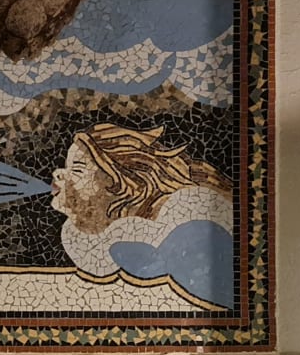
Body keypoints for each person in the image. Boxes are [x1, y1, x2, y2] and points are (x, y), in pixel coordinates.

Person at [50, 123, 235, 308]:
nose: (58, 174)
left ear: (116, 183)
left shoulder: (188, 228)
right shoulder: (95, 243)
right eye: (67, 167)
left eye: (77, 170)